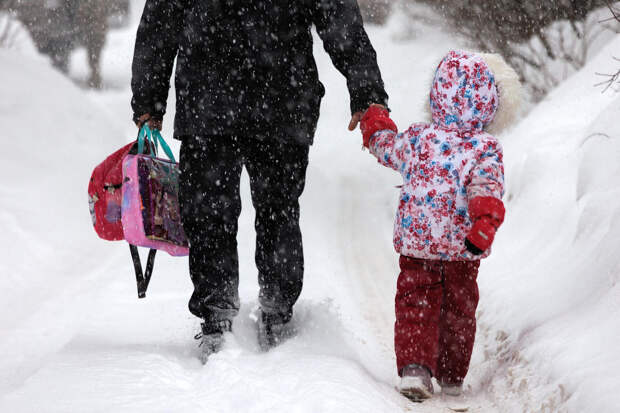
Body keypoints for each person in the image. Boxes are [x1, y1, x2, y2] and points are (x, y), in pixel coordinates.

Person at [130, 0, 388, 360]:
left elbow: (338, 17)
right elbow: (161, 20)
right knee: (221, 212)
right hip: (235, 99)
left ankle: (270, 310)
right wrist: (148, 97)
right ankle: (224, 314)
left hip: (262, 99)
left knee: (263, 209)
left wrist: (367, 89)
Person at [359, 50, 521, 401]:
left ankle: (416, 369)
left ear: (436, 96)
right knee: (459, 308)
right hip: (464, 248)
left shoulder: (419, 139)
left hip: (419, 243)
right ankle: (451, 374)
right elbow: (486, 188)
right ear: (491, 103)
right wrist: (484, 222)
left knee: (416, 301)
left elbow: (387, 147)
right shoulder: (485, 148)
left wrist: (374, 122)